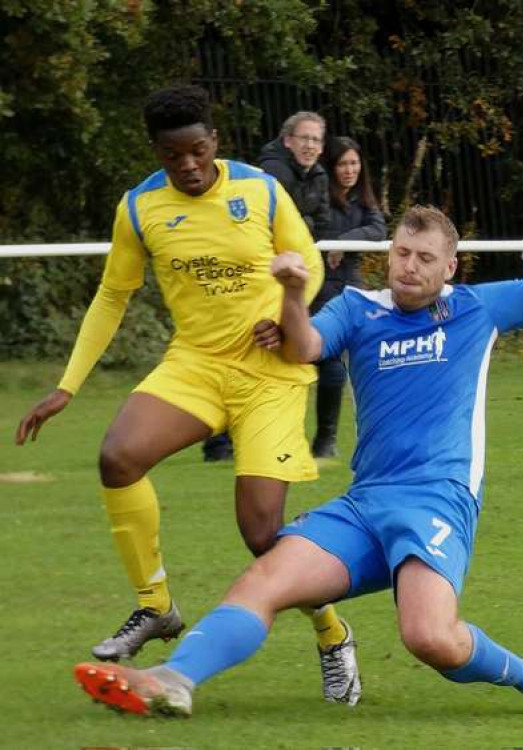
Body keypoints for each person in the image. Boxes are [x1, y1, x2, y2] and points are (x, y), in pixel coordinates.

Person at [71, 173, 523, 718]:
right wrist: (291, 291)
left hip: (436, 501)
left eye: (424, 258)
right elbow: (302, 347)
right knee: (262, 580)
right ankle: (171, 679)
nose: (409, 266)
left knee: (430, 639)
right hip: (365, 504)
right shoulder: (358, 309)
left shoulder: (476, 309)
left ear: (451, 268)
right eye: (401, 253)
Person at [14, 85, 360, 705]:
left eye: (198, 152)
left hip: (268, 374)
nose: (189, 167)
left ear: (215, 143)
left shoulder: (259, 189)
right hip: (196, 365)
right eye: (174, 157)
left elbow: (306, 256)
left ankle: (333, 634)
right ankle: (155, 607)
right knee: (118, 457)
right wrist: (68, 386)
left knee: (261, 534)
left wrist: (290, 315)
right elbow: (112, 296)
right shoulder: (140, 208)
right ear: (158, 153)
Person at [203, 110, 339, 463]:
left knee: (306, 353)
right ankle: (219, 443)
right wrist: (299, 225)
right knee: (242, 351)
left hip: (297, 274)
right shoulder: (271, 173)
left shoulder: (319, 175)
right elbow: (278, 222)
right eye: (304, 138)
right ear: (287, 140)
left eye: (316, 140)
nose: (310, 146)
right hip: (256, 275)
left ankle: (319, 441)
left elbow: (321, 223)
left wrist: (301, 225)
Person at [307, 136, 387, 458]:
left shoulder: (363, 200)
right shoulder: (318, 200)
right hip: (318, 289)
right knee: (330, 366)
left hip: (351, 288)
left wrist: (345, 240)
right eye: (342, 163)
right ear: (331, 166)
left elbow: (378, 229)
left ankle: (348, 440)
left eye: (354, 163)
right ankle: (325, 440)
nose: (349, 170)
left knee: (373, 360)